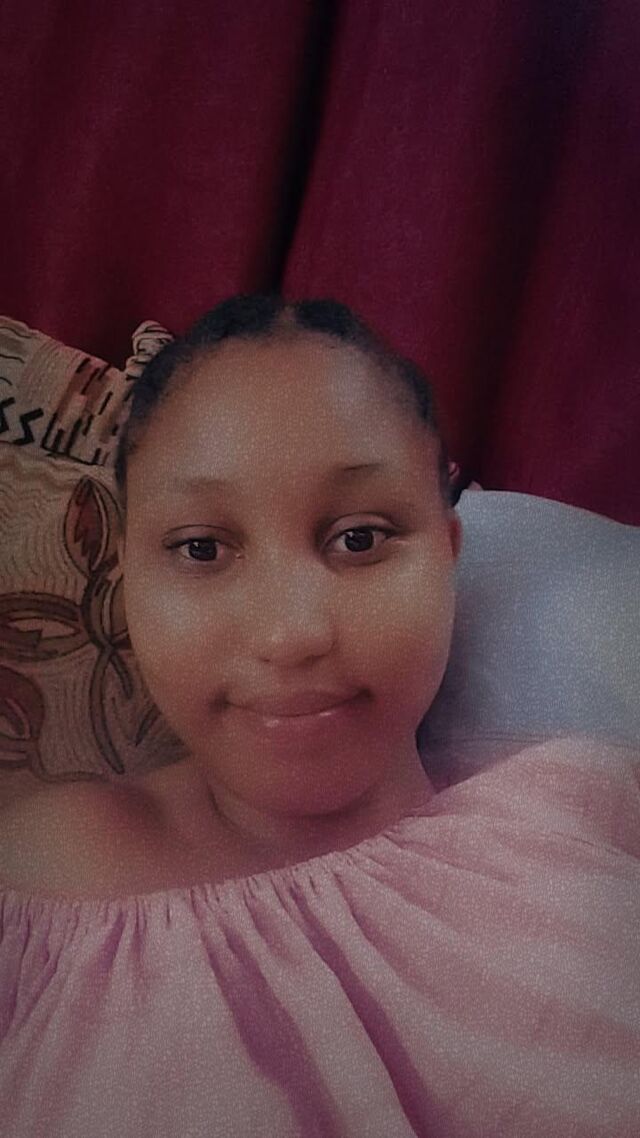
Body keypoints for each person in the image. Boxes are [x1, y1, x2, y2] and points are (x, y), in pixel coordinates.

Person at [1, 295, 639, 1138]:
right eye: (202, 548)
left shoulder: (581, 814)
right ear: (127, 580)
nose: (290, 634)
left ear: (448, 556)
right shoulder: (37, 870)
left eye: (360, 538)